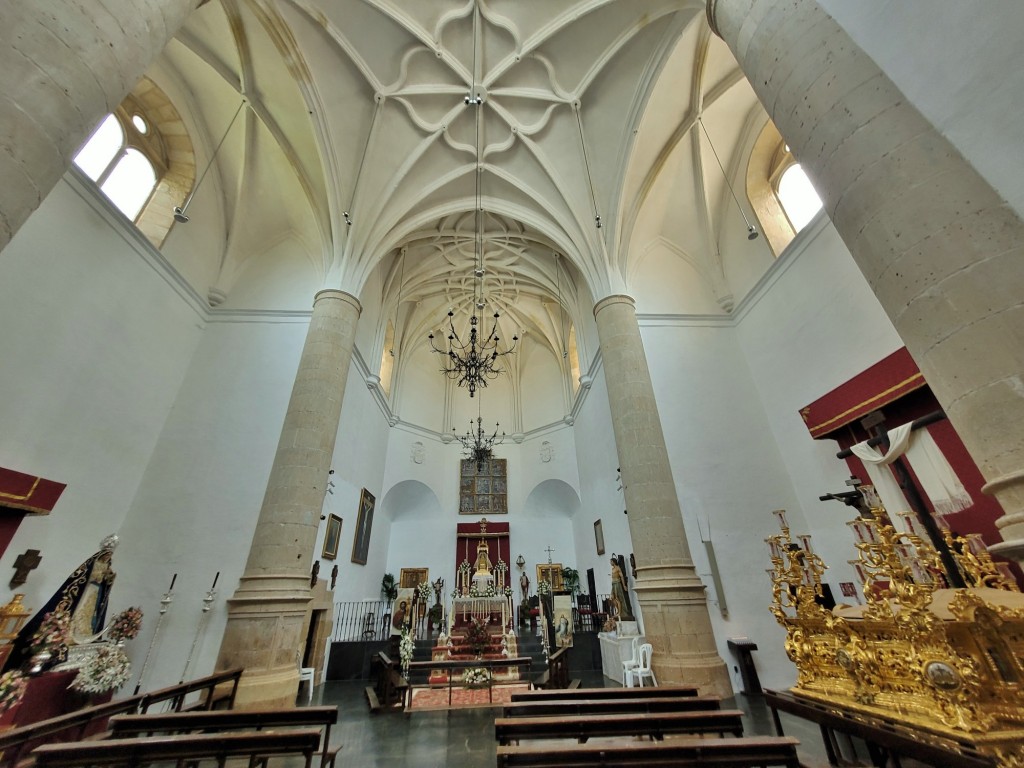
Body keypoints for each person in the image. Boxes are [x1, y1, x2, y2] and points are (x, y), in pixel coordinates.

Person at [610, 557, 635, 622]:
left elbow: (621, 577)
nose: (610, 563)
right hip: (613, 584)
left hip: (617, 584)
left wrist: (624, 585)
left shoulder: (618, 568)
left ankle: (619, 613)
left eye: (611, 561)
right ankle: (618, 610)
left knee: (617, 598)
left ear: (614, 561)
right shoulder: (613, 569)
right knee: (612, 598)